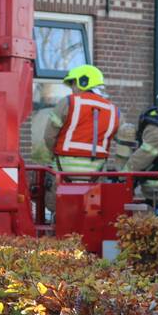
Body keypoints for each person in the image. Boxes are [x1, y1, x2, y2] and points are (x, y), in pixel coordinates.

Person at [42, 65, 119, 212]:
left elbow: (49, 136)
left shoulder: (68, 102)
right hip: (96, 172)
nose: (72, 88)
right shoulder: (113, 110)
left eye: (73, 83)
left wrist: (55, 153)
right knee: (91, 211)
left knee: (57, 208)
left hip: (63, 170)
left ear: (84, 82)